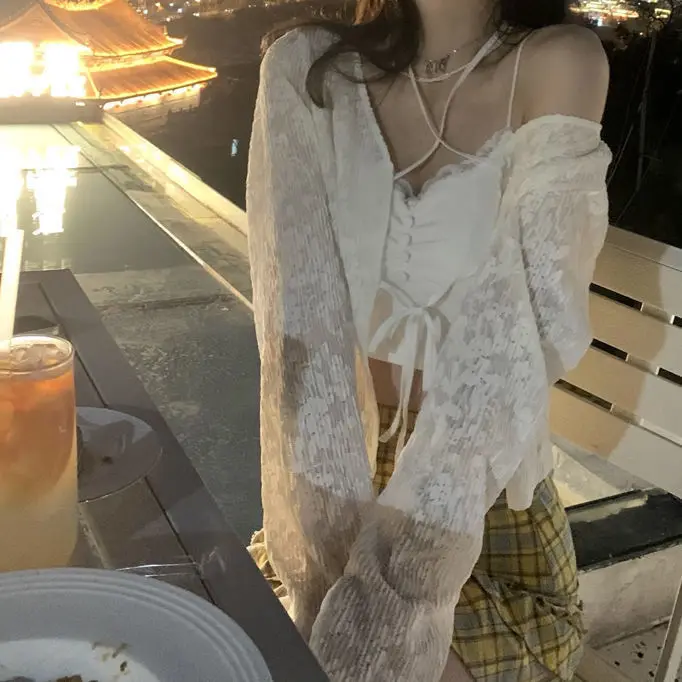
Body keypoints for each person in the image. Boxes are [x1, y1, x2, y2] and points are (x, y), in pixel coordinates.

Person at [245, 0, 611, 678]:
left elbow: (524, 322)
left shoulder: (557, 63)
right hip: (337, 485)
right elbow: (298, 325)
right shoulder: (307, 69)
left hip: (480, 509)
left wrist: (389, 601)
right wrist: (331, 551)